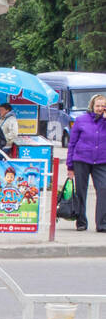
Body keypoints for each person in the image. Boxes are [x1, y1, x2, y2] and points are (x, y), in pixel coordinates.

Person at [67, 93, 106, 233]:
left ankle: (102, 223)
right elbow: (72, 143)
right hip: (82, 159)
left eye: (103, 106)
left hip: (102, 161)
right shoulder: (81, 120)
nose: (100, 108)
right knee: (81, 191)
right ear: (92, 106)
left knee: (103, 189)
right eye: (98, 105)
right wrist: (69, 165)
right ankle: (81, 221)